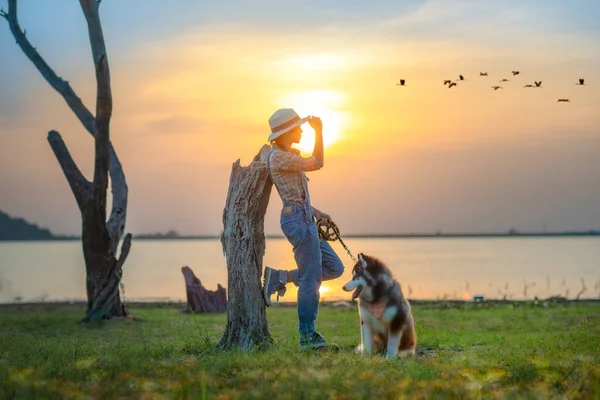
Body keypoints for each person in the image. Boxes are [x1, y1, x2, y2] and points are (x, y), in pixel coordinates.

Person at [262, 108, 345, 350]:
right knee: (310, 279)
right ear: (287, 132)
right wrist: (319, 132)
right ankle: (307, 336)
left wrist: (317, 213)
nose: (301, 130)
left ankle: (282, 277)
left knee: (334, 268)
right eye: (297, 128)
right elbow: (317, 162)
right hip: (297, 221)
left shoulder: (287, 154)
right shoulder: (278, 157)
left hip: (305, 217)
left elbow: (297, 195)